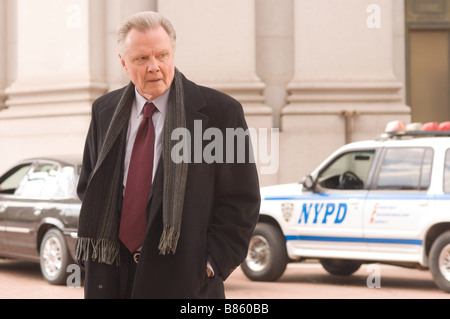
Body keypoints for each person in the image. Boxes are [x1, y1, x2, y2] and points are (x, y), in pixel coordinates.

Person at [75, 11, 260, 299]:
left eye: (162, 55)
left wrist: (209, 265)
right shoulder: (104, 110)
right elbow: (89, 185)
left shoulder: (221, 113)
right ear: (123, 63)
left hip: (184, 282)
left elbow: (242, 201)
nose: (154, 67)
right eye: (142, 59)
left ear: (173, 54)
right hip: (112, 277)